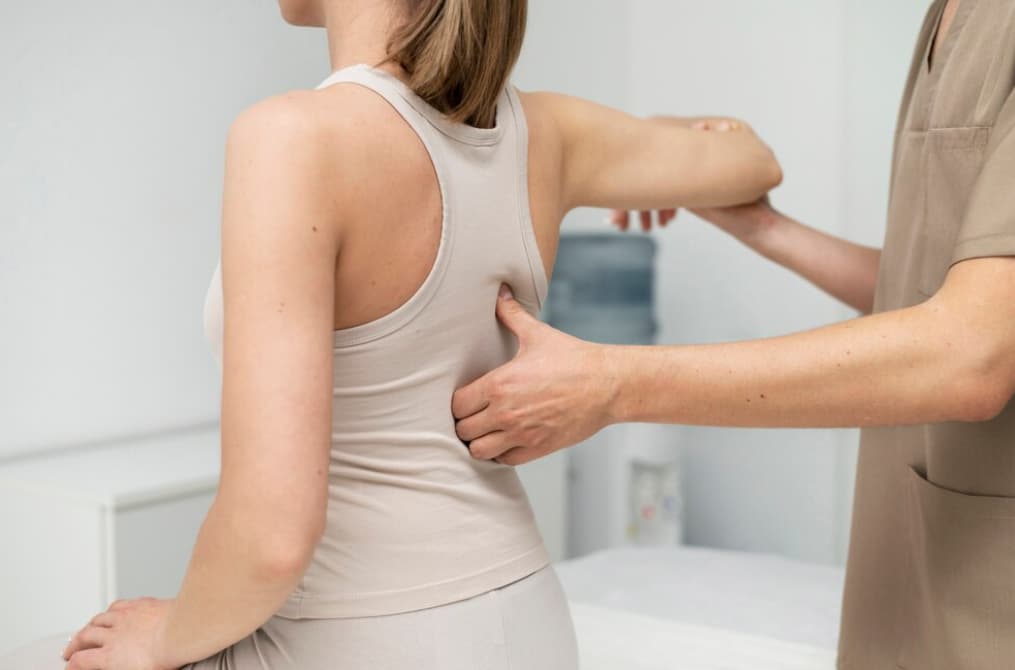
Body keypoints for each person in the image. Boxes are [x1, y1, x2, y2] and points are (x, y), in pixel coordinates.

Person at [0, 1, 782, 669]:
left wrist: (167, 634)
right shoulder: (550, 131)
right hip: (529, 619)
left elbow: (272, 534)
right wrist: (657, 137)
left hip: (355, 635)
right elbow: (752, 163)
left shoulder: (293, 137)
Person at [453, 0, 1015, 668]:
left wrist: (611, 384)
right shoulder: (949, 14)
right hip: (913, 580)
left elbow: (972, 350)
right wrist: (760, 226)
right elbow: (932, 288)